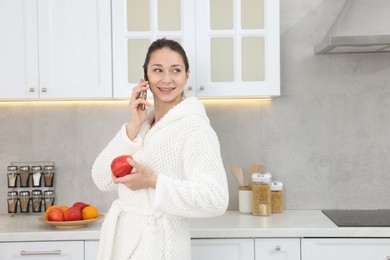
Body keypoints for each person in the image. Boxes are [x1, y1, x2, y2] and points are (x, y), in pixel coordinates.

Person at [91, 38, 229, 260]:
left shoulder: (195, 127)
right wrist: (133, 125)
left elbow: (216, 199)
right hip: (124, 245)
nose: (167, 79)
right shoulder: (144, 126)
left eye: (175, 70)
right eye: (157, 70)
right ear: (145, 76)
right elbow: (101, 178)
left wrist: (153, 182)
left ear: (187, 75)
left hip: (161, 248)